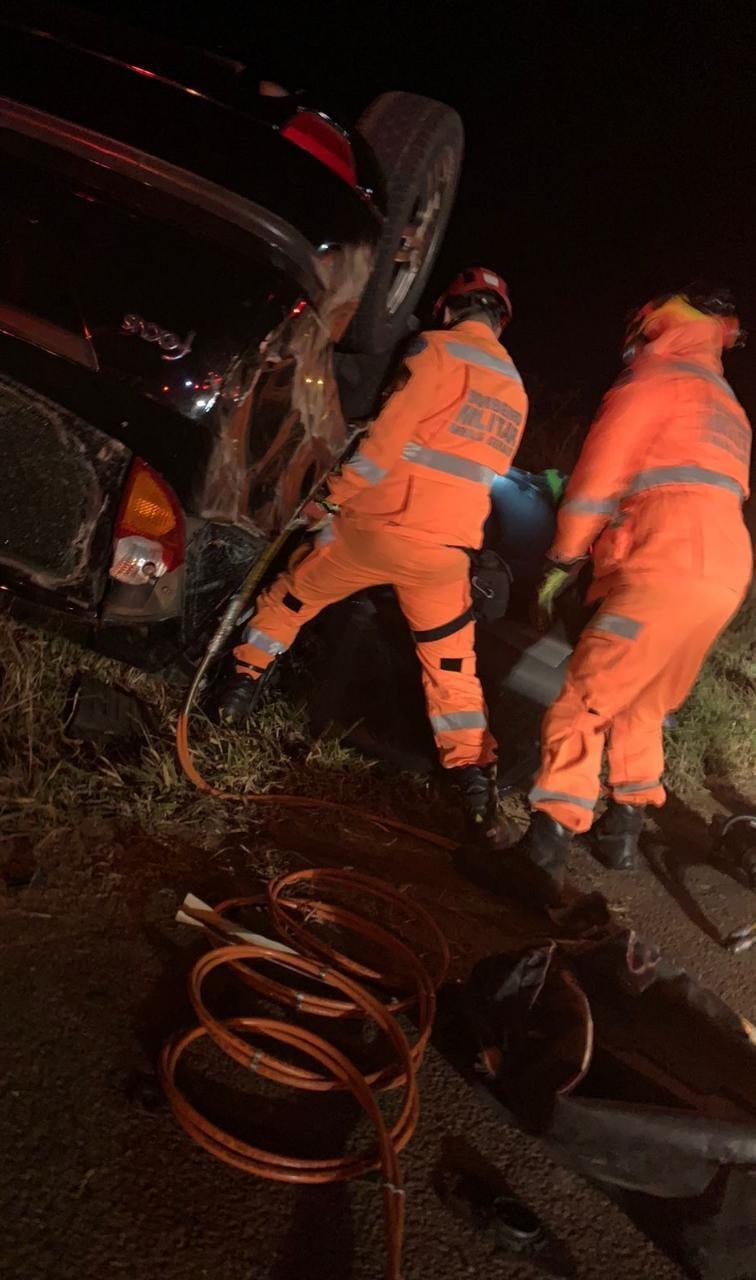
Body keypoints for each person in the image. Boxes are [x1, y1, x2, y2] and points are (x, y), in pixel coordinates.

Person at [217, 267, 529, 841]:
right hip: (447, 551)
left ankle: (237, 694)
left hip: (375, 527)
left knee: (289, 598)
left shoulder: (436, 351)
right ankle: (474, 784)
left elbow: (384, 442)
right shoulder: (515, 388)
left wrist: (330, 501)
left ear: (447, 309)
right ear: (501, 320)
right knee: (453, 665)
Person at [512, 286, 752, 898]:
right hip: (724, 569)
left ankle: (544, 848)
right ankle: (622, 829)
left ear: (652, 323)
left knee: (586, 698)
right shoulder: (726, 402)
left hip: (662, 558)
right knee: (645, 702)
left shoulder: (654, 377)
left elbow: (597, 480)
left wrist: (565, 554)